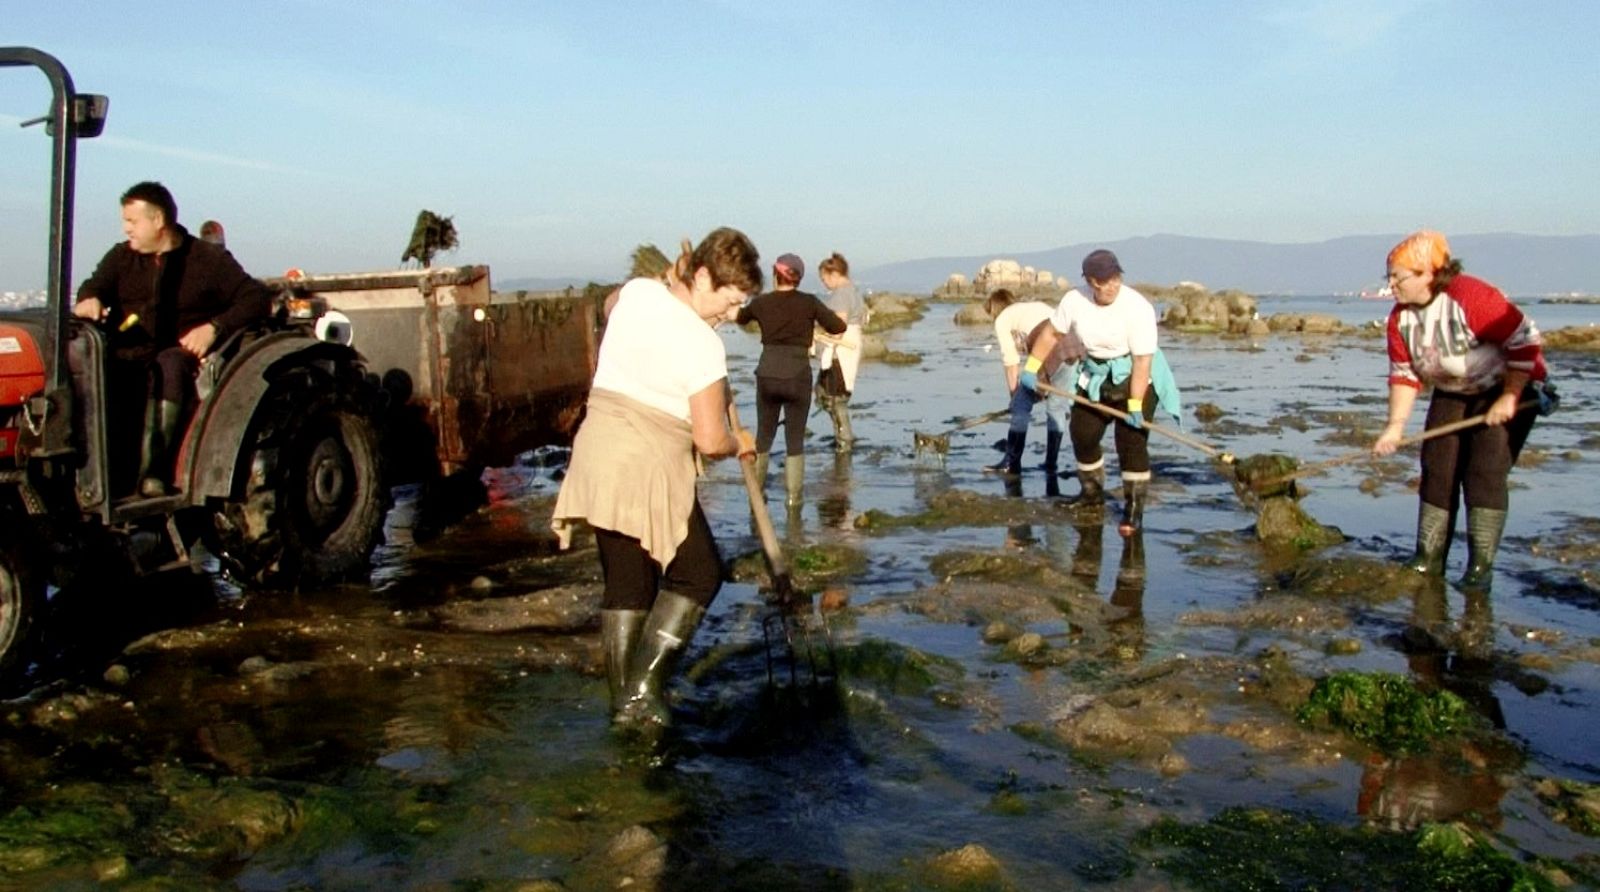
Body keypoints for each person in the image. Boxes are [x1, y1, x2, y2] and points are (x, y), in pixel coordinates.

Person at [550, 227, 761, 737]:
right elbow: (710, 440)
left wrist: (666, 280)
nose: (731, 316)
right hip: (645, 461)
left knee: (629, 583)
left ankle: (623, 705)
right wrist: (741, 443)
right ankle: (644, 691)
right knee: (700, 573)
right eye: (728, 301)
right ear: (704, 275)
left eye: (739, 306)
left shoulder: (640, 294)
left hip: (598, 449)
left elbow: (609, 303)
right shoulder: (702, 344)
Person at [1371, 230, 1548, 591]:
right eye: (1388, 276)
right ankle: (1429, 558)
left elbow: (1524, 340)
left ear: (1428, 274)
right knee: (1437, 467)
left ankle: (1479, 570)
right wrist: (1395, 427)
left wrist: (1509, 398)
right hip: (1455, 389)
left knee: (1483, 470)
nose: (1390, 285)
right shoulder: (1398, 320)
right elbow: (1404, 376)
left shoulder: (1471, 297)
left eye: (1397, 277)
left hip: (1508, 384)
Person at [73, 182, 272, 497]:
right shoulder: (121, 257)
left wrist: (214, 328)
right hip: (128, 349)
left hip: (179, 354)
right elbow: (94, 286)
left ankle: (154, 471)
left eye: (132, 221)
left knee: (169, 365)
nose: (126, 229)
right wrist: (90, 299)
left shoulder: (207, 260)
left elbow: (256, 297)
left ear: (158, 221)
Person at [1020, 249, 1181, 536]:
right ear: (1090, 281)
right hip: (1095, 374)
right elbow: (1050, 334)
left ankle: (1133, 510)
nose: (1112, 286)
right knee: (1083, 432)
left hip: (1135, 374)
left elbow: (1143, 361)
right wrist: (1031, 368)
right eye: (1104, 281)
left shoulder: (1137, 307)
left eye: (1116, 278)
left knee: (1130, 441)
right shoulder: (1074, 300)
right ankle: (1091, 496)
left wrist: (1134, 405)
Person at [735, 253, 846, 507]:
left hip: (767, 374)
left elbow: (740, 318)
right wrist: (812, 327)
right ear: (798, 279)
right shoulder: (809, 303)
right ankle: (793, 502)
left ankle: (756, 498)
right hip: (797, 375)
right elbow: (838, 326)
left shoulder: (762, 302)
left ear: (776, 275)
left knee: (764, 437)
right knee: (794, 441)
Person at [984, 288, 1079, 477]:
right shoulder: (1035, 307)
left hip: (1048, 351)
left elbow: (1011, 361)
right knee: (1056, 408)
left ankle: (1010, 463)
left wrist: (1014, 396)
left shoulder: (1003, 319)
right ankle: (1051, 463)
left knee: (1021, 405)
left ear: (994, 309)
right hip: (1071, 351)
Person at [814, 252, 865, 452]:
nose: (824, 283)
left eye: (824, 278)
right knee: (831, 394)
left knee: (834, 397)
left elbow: (839, 324)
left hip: (840, 353)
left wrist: (820, 335)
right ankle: (843, 436)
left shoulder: (842, 294)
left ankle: (844, 440)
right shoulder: (853, 291)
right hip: (848, 348)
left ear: (834, 274)